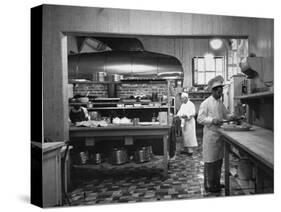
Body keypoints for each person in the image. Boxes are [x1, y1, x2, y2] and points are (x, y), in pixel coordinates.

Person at [197, 75, 237, 193]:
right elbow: (200, 119)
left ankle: (216, 183)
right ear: (213, 91)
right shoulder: (206, 103)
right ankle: (209, 185)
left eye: (221, 92)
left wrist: (232, 116)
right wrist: (212, 120)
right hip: (210, 136)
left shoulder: (220, 103)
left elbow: (226, 114)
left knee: (218, 161)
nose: (220, 94)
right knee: (210, 161)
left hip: (219, 136)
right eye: (219, 92)